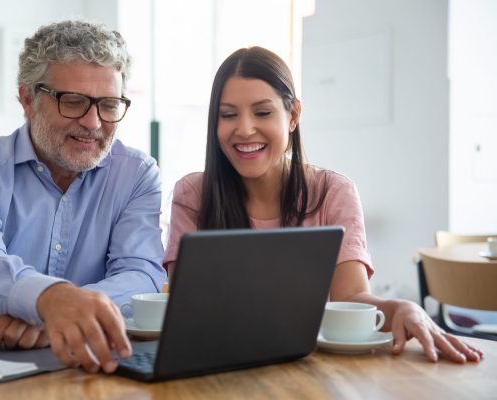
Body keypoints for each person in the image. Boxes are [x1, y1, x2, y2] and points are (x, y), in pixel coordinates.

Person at [164, 46, 483, 364]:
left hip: (312, 370)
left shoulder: (334, 191)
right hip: (216, 367)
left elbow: (352, 299)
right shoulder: (193, 194)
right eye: (228, 114)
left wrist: (401, 307)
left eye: (263, 112)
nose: (245, 129)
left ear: (293, 116)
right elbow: (186, 310)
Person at [0, 20, 167, 374]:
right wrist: (50, 300)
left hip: (72, 370)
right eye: (74, 102)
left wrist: (60, 314)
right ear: (27, 99)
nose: (93, 123)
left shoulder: (137, 174)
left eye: (109, 104)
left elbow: (140, 273)